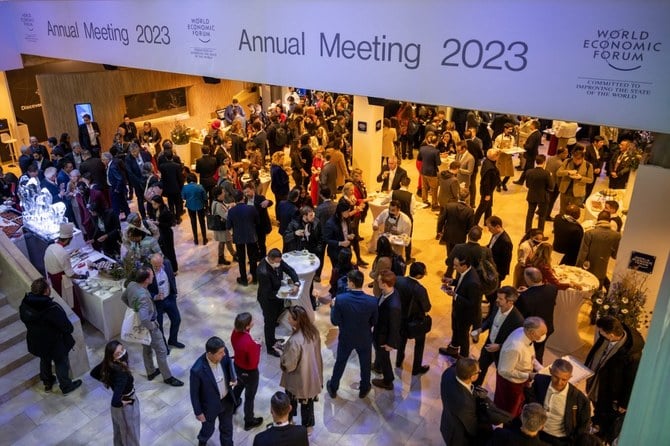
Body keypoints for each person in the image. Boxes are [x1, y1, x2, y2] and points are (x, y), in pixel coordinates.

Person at [584, 316, 645, 444]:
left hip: (611, 390)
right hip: (599, 382)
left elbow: (631, 379)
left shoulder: (632, 355)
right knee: (598, 407)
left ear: (611, 335)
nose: (599, 333)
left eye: (601, 331)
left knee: (605, 412)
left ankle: (600, 435)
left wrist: (624, 403)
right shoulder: (607, 336)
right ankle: (597, 426)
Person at [121, 267, 183, 387]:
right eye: (151, 275)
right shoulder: (143, 296)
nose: (153, 276)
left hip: (141, 326)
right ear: (146, 280)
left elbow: (123, 298)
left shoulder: (132, 285)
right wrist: (152, 326)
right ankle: (168, 377)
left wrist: (135, 308)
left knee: (146, 347)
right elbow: (144, 319)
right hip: (150, 326)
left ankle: (151, 372)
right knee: (161, 351)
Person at [19, 277, 83, 395]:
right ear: (46, 291)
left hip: (36, 341)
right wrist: (68, 330)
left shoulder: (25, 304)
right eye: (48, 286)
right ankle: (66, 386)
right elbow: (66, 326)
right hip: (54, 343)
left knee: (44, 360)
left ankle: (47, 383)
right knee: (61, 362)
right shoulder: (51, 308)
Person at [326, 270, 378, 399]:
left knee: (340, 362)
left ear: (353, 284)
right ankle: (364, 388)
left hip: (346, 337)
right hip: (364, 337)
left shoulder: (340, 300)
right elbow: (374, 321)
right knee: (365, 364)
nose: (347, 283)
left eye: (348, 281)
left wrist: (333, 307)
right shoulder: (372, 301)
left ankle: (333, 387)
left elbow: (335, 321)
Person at [525, 358, 592, 445]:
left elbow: (583, 427)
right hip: (537, 434)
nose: (559, 383)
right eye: (556, 377)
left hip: (561, 440)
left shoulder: (580, 400)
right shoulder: (540, 381)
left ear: (570, 377)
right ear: (550, 371)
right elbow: (530, 399)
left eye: (564, 379)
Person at [441, 357, 505, 446]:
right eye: (479, 371)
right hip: (458, 437)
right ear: (473, 377)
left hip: (447, 423)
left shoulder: (448, 373)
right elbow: (472, 428)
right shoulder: (465, 403)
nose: (480, 372)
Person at [280, 306, 323, 432]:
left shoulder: (295, 340)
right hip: (312, 374)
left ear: (297, 321)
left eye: (290, 318)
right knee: (307, 403)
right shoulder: (313, 332)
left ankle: (290, 421)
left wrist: (283, 356)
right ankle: (308, 428)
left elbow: (289, 365)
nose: (287, 319)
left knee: (291, 400)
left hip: (298, 378)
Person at [471, 286, 524, 387]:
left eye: (500, 299)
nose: (496, 300)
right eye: (497, 297)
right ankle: (475, 388)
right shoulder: (496, 306)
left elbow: (516, 342)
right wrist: (480, 329)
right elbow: (490, 320)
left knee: (501, 376)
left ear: (510, 302)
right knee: (480, 368)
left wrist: (499, 346)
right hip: (489, 344)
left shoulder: (518, 320)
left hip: (502, 352)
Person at [90, 341, 140, 446]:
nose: (122, 353)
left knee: (119, 434)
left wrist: (108, 381)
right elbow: (115, 402)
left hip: (117, 411)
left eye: (122, 349)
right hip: (126, 407)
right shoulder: (121, 374)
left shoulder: (108, 363)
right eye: (118, 353)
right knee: (131, 436)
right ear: (113, 357)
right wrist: (122, 403)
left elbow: (93, 373)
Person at [190, 336, 238, 446]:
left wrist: (233, 378)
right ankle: (202, 441)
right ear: (210, 354)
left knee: (227, 430)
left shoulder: (223, 352)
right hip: (209, 407)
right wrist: (198, 412)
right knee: (208, 430)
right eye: (220, 353)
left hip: (226, 401)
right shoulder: (197, 370)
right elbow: (194, 394)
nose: (224, 354)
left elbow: (229, 364)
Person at [495, 317, 547, 418]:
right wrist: (528, 375)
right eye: (541, 333)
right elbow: (504, 371)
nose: (543, 336)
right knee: (510, 409)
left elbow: (529, 355)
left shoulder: (524, 333)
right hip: (511, 383)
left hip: (522, 379)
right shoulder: (515, 347)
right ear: (532, 332)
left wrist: (539, 367)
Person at [257, 249, 300, 356]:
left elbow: (289, 270)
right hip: (267, 300)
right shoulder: (263, 271)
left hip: (277, 296)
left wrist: (296, 283)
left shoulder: (278, 261)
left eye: (280, 261)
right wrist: (286, 293)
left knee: (276, 318)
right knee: (269, 323)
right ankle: (270, 348)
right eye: (277, 261)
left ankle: (273, 339)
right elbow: (268, 292)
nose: (279, 263)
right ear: (270, 259)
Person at [439, 256, 483, 359]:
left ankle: (463, 359)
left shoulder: (473, 282)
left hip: (465, 315)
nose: (454, 267)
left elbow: (472, 303)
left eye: (456, 265)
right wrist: (452, 281)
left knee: (463, 336)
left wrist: (455, 295)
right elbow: (461, 283)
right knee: (455, 330)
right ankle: (453, 349)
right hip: (458, 310)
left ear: (464, 266)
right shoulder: (464, 272)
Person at [394, 262, 432, 375]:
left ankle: (398, 361)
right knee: (419, 344)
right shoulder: (420, 289)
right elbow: (427, 307)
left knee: (401, 341)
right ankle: (416, 368)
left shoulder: (398, 280)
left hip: (400, 318)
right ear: (419, 276)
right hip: (415, 321)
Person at [517, 267, 559, 364]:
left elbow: (520, 316)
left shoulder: (525, 298)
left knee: (529, 353)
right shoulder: (552, 289)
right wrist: (529, 290)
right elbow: (540, 295)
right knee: (539, 351)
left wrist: (525, 293)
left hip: (533, 331)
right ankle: (538, 370)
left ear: (528, 279)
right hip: (547, 328)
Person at [230, 312, 263, 431]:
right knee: (249, 397)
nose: (253, 321)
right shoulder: (249, 343)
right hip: (250, 373)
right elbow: (253, 363)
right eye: (251, 321)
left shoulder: (235, 333)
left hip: (237, 366)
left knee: (238, 387)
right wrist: (258, 346)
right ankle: (249, 421)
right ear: (247, 326)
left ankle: (232, 407)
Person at [44, 223, 87, 311]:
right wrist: (82, 276)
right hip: (62, 281)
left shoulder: (50, 247)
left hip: (53, 279)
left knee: (62, 301)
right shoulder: (63, 253)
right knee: (71, 302)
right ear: (68, 240)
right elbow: (70, 274)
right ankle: (78, 320)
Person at [372, 270, 403, 390]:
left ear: (384, 284)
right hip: (379, 330)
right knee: (379, 353)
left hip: (383, 337)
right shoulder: (387, 292)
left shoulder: (393, 305)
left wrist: (390, 343)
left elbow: (395, 326)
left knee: (384, 357)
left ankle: (388, 380)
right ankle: (377, 366)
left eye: (379, 280)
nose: (377, 282)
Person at [576, 211, 621, 291]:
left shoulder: (589, 233)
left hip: (587, 269)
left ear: (598, 219)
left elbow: (583, 253)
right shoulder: (616, 236)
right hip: (602, 270)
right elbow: (615, 255)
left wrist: (577, 269)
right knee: (597, 292)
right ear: (609, 221)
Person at [147, 253, 184, 349]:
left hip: (170, 298)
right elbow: (143, 290)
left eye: (160, 265)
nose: (159, 268)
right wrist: (155, 296)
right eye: (156, 266)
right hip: (157, 303)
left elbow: (172, 278)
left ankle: (172, 340)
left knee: (177, 319)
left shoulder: (167, 263)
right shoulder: (146, 271)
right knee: (159, 326)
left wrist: (174, 293)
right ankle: (163, 345)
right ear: (151, 263)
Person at [227, 190, 260, 286]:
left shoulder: (231, 211)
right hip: (251, 236)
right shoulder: (251, 208)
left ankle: (244, 279)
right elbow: (257, 221)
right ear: (243, 198)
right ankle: (255, 278)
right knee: (253, 258)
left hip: (239, 237)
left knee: (241, 259)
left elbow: (228, 226)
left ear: (235, 200)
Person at [556, 147, 594, 214]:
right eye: (574, 159)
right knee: (562, 210)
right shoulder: (567, 161)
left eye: (578, 160)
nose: (576, 161)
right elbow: (558, 173)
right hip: (565, 191)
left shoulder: (588, 165)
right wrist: (568, 172)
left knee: (573, 212)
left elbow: (590, 180)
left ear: (582, 158)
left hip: (577, 194)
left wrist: (580, 178)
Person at [438, 188, 475, 255]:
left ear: (458, 195)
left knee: (449, 253)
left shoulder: (449, 206)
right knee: (458, 255)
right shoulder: (470, 211)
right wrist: (465, 233)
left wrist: (439, 231)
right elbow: (470, 227)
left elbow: (441, 220)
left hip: (448, 234)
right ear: (467, 198)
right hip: (461, 237)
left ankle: (449, 264)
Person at [523, 154, 554, 233]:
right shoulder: (546, 173)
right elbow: (551, 186)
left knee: (530, 214)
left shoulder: (529, 171)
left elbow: (527, 185)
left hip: (532, 195)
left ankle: (527, 231)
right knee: (542, 216)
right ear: (544, 162)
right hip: (542, 196)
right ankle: (540, 233)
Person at [243, 181, 274, 258]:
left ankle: (263, 257)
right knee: (253, 243)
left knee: (261, 243)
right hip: (251, 226)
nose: (247, 194)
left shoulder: (260, 198)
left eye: (248, 192)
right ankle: (256, 256)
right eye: (245, 193)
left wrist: (268, 201)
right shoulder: (245, 200)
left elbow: (270, 202)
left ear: (252, 190)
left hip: (260, 226)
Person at [149, 196, 178, 272]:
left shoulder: (165, 211)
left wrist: (158, 223)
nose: (153, 205)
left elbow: (169, 224)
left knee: (170, 251)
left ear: (159, 203)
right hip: (161, 232)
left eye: (154, 204)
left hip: (167, 233)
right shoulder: (157, 210)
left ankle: (174, 269)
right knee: (164, 250)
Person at [125, 143, 153, 220]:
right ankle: (143, 216)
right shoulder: (128, 158)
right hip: (137, 181)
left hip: (148, 179)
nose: (134, 154)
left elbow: (150, 164)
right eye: (132, 152)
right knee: (140, 199)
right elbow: (130, 173)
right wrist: (139, 181)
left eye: (135, 152)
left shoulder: (145, 154)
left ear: (138, 150)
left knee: (149, 197)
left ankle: (151, 213)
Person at [210, 185, 236, 265]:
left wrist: (229, 205)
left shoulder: (217, 202)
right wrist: (231, 208)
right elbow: (226, 216)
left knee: (223, 242)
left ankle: (221, 258)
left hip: (220, 227)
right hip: (222, 227)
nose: (224, 193)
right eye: (223, 192)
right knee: (227, 241)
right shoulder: (218, 205)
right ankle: (234, 255)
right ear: (219, 195)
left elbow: (224, 207)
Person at [474, 148, 501, 225]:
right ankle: (474, 223)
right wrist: (487, 194)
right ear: (494, 157)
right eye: (497, 156)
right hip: (487, 191)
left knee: (488, 206)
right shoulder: (490, 169)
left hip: (488, 190)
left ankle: (487, 222)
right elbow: (486, 183)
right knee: (482, 208)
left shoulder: (487, 161)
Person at [485, 215, 513, 288]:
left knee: (493, 290)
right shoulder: (495, 234)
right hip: (491, 268)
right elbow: (491, 245)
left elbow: (506, 260)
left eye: (490, 228)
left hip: (497, 272)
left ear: (497, 226)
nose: (488, 230)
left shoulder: (506, 242)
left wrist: (499, 274)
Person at [102, 152, 131, 219]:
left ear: (107, 159)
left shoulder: (112, 167)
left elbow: (119, 178)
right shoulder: (111, 165)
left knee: (115, 206)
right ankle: (128, 216)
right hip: (115, 188)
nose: (102, 161)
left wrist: (116, 189)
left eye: (103, 160)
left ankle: (116, 221)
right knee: (123, 203)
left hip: (115, 188)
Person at [158, 150, 184, 222]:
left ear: (165, 157)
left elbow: (162, 178)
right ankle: (178, 218)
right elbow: (180, 178)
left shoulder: (162, 166)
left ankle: (172, 220)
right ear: (172, 156)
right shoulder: (177, 166)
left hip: (168, 188)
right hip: (177, 188)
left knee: (171, 204)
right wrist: (181, 187)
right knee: (178, 203)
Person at [182, 173, 208, 245]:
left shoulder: (185, 187)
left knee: (193, 223)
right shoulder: (200, 186)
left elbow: (183, 197)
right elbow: (205, 197)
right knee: (202, 222)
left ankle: (196, 240)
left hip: (190, 206)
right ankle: (204, 239)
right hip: (200, 206)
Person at [418, 133, 441, 209]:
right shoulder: (436, 151)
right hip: (432, 172)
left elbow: (419, 159)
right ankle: (434, 204)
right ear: (436, 142)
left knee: (424, 187)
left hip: (423, 170)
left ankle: (424, 201)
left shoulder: (422, 148)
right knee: (434, 189)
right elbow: (438, 163)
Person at [270, 151, 291, 217]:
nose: (283, 160)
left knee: (278, 203)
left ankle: (279, 217)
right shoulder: (277, 169)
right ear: (278, 159)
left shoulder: (273, 166)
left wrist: (284, 170)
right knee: (282, 204)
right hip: (281, 191)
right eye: (282, 159)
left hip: (276, 190)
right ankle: (282, 218)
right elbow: (281, 182)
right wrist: (287, 175)